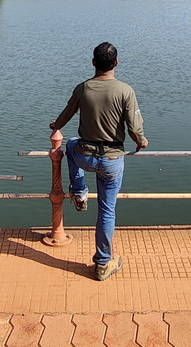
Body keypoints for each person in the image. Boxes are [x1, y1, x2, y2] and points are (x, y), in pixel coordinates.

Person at [50, 42, 148, 281]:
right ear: (116, 63)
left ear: (93, 63)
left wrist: (56, 126)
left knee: (71, 145)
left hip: (84, 156)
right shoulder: (125, 91)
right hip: (112, 161)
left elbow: (65, 114)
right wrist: (141, 141)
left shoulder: (83, 88)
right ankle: (103, 264)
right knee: (107, 210)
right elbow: (135, 128)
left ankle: (80, 192)